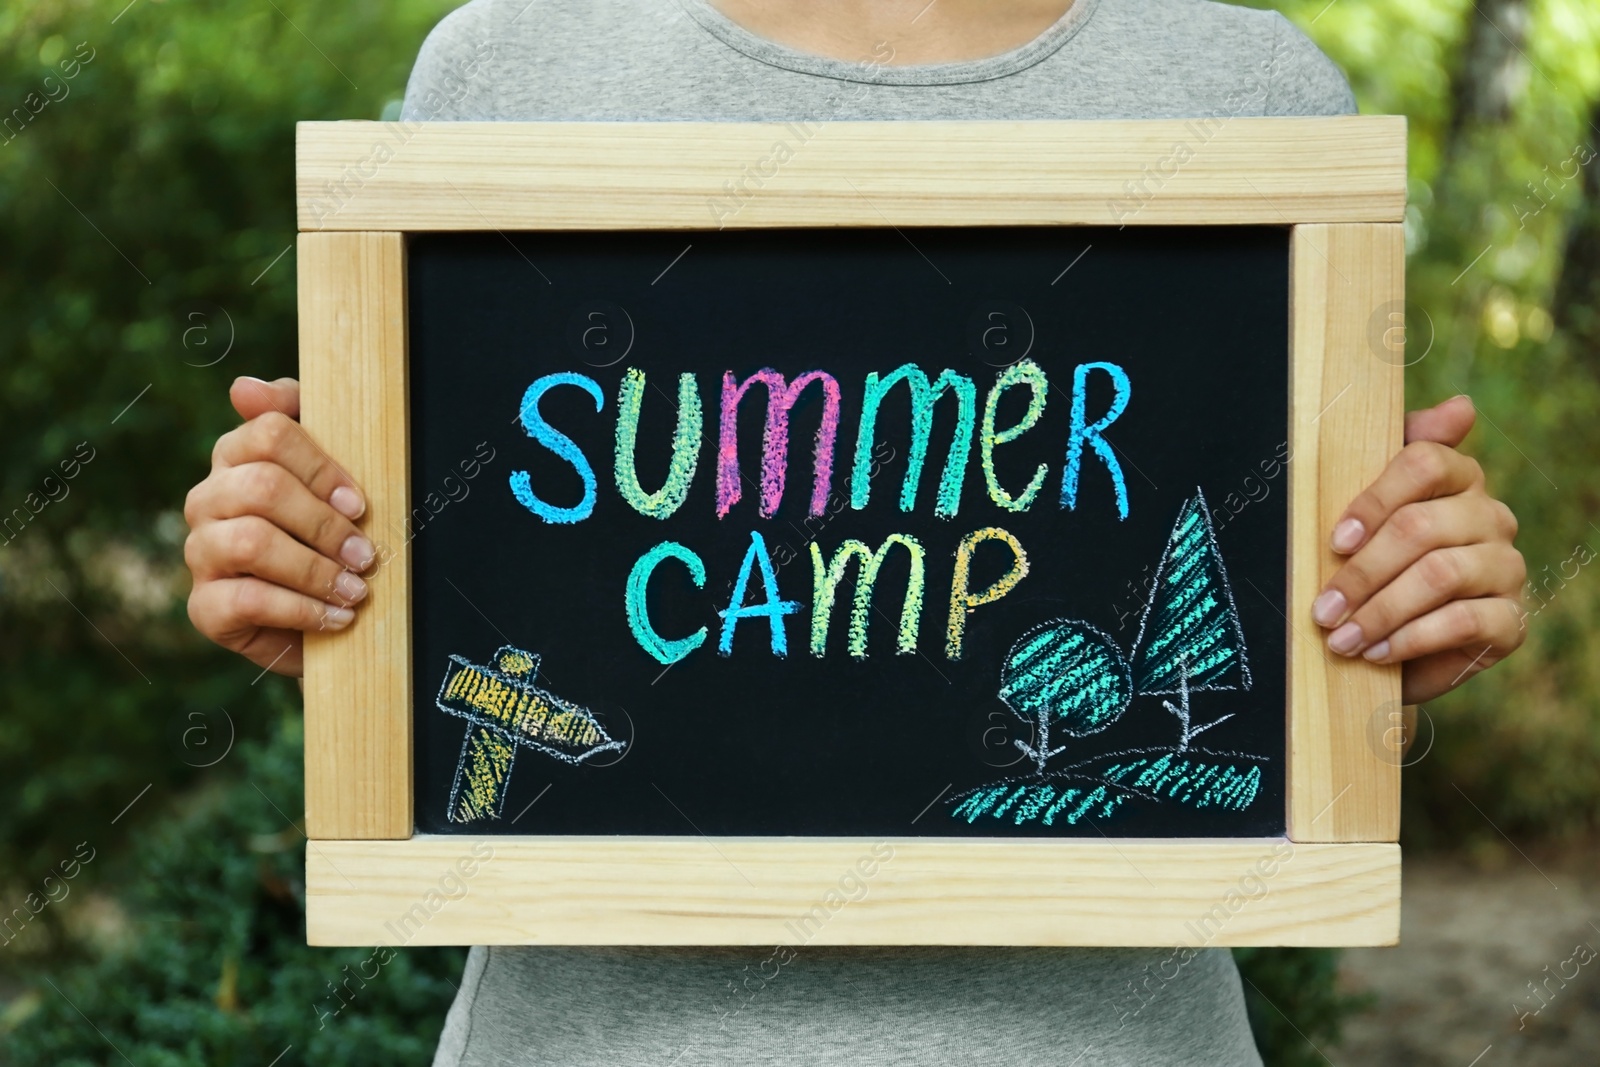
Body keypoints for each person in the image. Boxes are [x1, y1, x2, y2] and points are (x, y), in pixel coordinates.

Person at [182, 1, 1528, 1063]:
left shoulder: (1246, 92)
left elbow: (1306, 682)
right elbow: (467, 584)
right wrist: (330, 599)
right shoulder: (509, 67)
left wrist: (1395, 631)